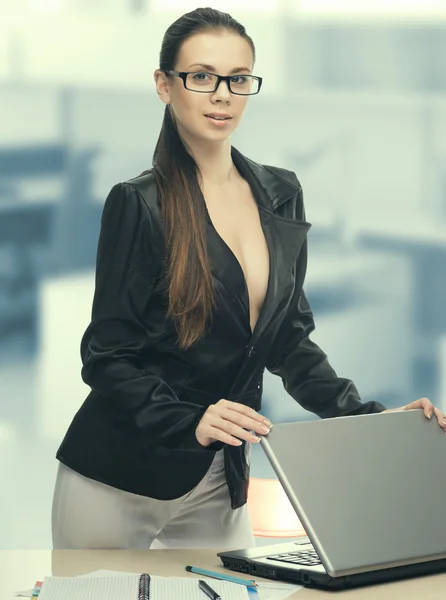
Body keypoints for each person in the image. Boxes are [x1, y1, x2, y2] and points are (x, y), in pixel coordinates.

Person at [51, 7, 446, 551]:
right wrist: (190, 419)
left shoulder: (279, 191)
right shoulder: (139, 203)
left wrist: (371, 419)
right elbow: (106, 355)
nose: (222, 94)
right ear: (165, 86)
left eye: (238, 79)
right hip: (118, 475)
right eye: (202, 76)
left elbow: (288, 340)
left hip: (219, 479)